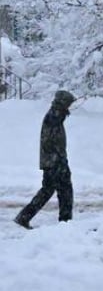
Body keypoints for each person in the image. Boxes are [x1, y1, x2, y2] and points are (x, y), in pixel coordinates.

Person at [14, 90, 76, 229]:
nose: (69, 106)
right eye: (68, 103)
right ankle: (65, 222)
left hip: (52, 161)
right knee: (63, 191)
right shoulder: (54, 116)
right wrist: (58, 158)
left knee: (50, 190)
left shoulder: (56, 115)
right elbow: (49, 141)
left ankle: (25, 217)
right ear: (62, 102)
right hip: (55, 162)